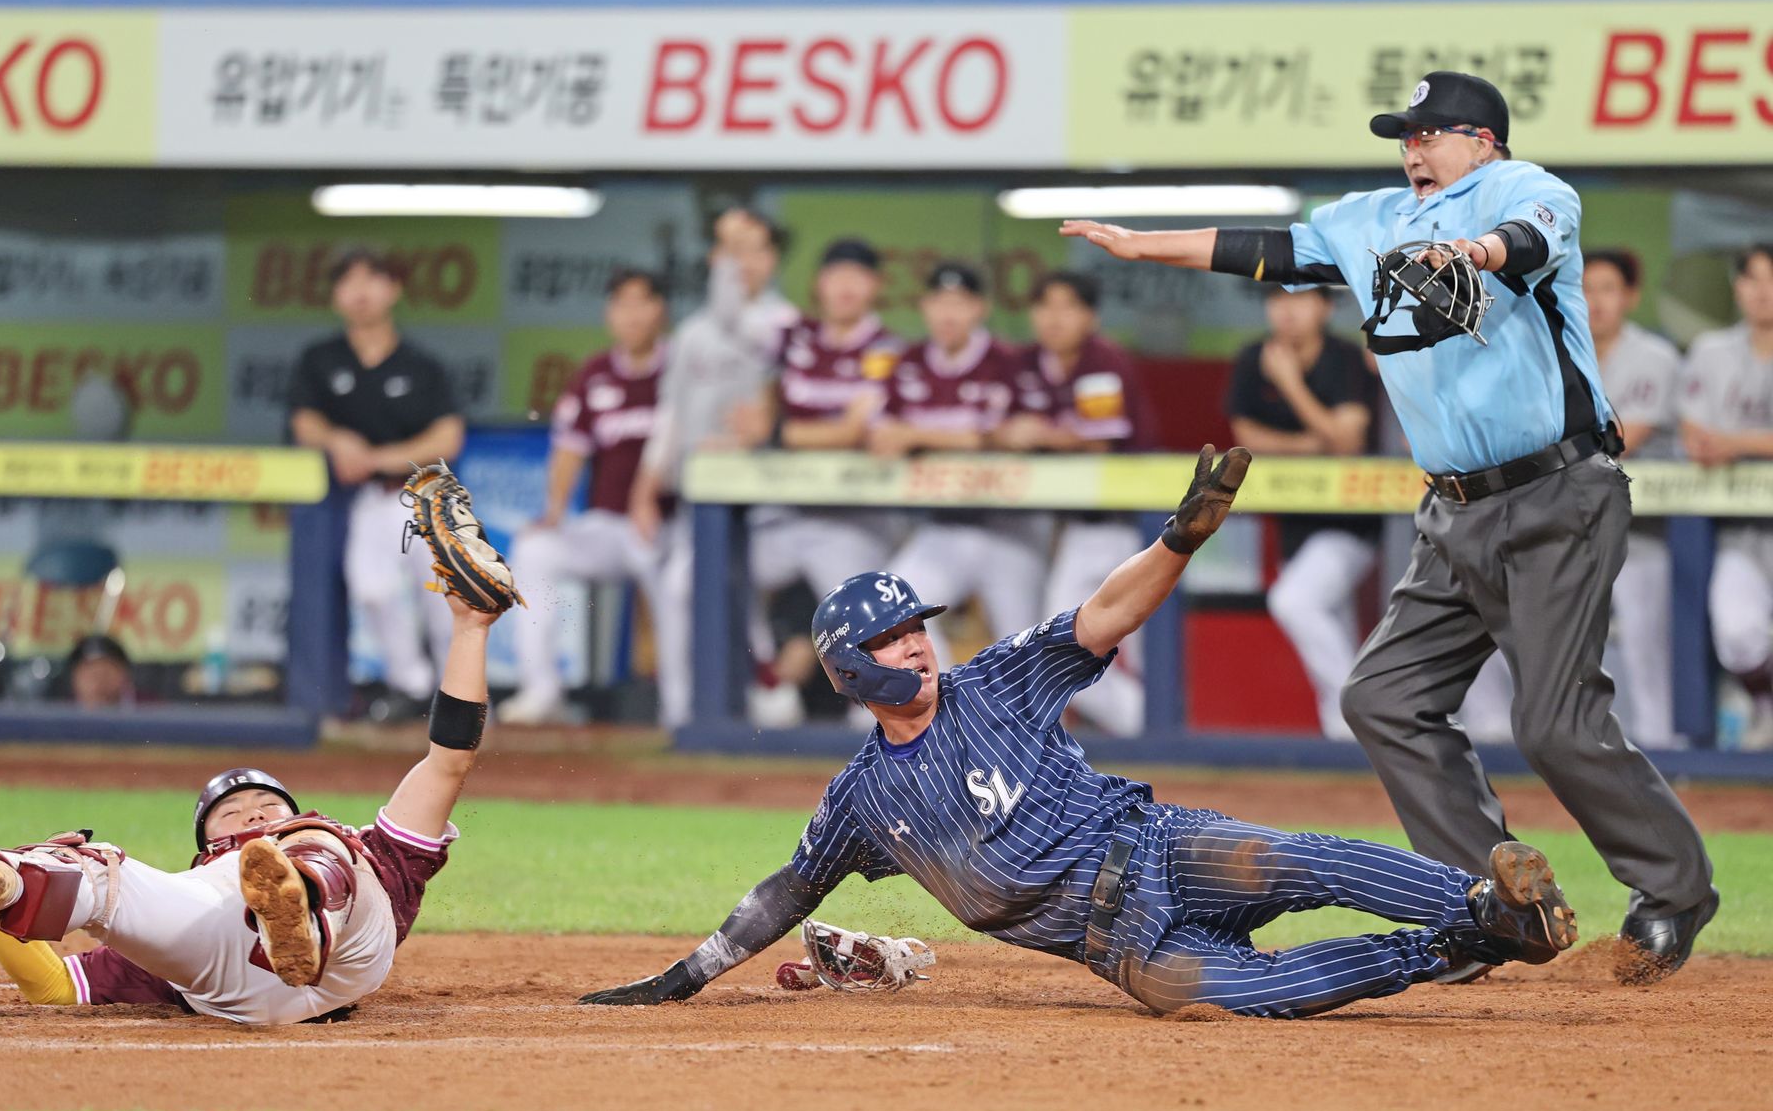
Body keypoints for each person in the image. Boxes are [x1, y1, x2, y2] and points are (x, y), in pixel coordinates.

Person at [1060, 70, 1716, 985]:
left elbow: (1524, 244)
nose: (1413, 147)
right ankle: (1492, 905)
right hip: (1453, 508)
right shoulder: (1367, 218)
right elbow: (1267, 250)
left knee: (1554, 722)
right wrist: (1140, 247)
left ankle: (1674, 890)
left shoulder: (1527, 190)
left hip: (1558, 490)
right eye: (1405, 134)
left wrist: (1475, 254)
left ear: (1484, 141)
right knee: (1383, 698)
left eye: (1433, 132)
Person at [579, 446, 1582, 1019]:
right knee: (1249, 997)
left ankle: (1490, 899)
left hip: (1156, 847)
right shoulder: (861, 802)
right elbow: (784, 894)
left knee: (1296, 859)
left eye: (918, 630)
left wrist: (1176, 537)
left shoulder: (995, 681)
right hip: (1118, 946)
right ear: (852, 668)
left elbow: (1099, 617)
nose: (919, 647)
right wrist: (684, 975)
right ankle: (1466, 939)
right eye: (895, 638)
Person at [0, 470, 503, 1025]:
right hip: (223, 971)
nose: (250, 813)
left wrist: (470, 632)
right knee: (107, 874)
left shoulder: (379, 856)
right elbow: (52, 988)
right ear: (205, 843)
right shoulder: (199, 880)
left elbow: (448, 757)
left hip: (350, 946)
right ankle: (2, 875)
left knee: (323, 842)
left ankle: (299, 905)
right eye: (232, 811)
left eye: (264, 803)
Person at [630, 208, 798, 727]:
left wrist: (728, 252)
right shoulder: (692, 333)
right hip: (701, 507)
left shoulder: (784, 323)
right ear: (714, 261)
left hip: (771, 504)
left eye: (756, 249)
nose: (746, 262)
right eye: (734, 252)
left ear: (773, 259)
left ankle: (755, 696)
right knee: (687, 588)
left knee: (723, 588)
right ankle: (686, 713)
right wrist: (644, 487)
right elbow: (671, 415)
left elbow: (740, 323)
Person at [287, 248, 466, 724]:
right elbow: (304, 422)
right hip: (368, 499)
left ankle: (462, 698)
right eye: (348, 281)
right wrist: (337, 440)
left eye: (372, 279)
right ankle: (410, 685)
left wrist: (378, 457)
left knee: (441, 600)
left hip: (424, 494)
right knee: (373, 590)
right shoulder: (321, 360)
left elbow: (449, 436)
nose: (361, 291)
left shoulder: (420, 364)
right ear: (335, 296)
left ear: (394, 290)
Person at [499, 269, 678, 726]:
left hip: (670, 524)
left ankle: (682, 704)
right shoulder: (595, 374)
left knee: (671, 579)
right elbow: (568, 450)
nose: (632, 315)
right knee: (535, 549)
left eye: (642, 302)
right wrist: (555, 510)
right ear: (609, 314)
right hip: (607, 525)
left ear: (660, 310)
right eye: (622, 304)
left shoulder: (679, 368)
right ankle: (541, 692)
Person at [741, 238, 907, 725]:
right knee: (702, 571)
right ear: (819, 283)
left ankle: (878, 702)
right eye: (836, 274)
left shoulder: (887, 349)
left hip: (855, 517)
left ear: (876, 286)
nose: (846, 286)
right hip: (787, 514)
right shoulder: (795, 338)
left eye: (859, 275)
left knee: (857, 605)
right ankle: (765, 679)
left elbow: (853, 432)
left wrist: (776, 432)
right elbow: (760, 405)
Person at [997, 270, 1158, 736]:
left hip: (1133, 526)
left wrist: (1040, 433)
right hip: (1078, 528)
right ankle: (1144, 731)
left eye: (1068, 306)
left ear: (1090, 316)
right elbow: (996, 425)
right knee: (1064, 641)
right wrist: (1009, 433)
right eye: (1046, 305)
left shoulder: (1103, 359)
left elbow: (1099, 444)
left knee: (1135, 650)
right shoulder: (1026, 362)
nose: (1055, 317)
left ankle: (1156, 733)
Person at [1225, 286, 1378, 742]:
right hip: (1291, 526)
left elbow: (1348, 443)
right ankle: (1347, 739)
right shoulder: (1254, 356)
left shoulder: (1344, 356)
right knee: (1328, 621)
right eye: (1277, 299)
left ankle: (1358, 717)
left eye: (1301, 298)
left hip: (1354, 525)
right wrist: (1315, 444)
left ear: (1325, 307)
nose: (1287, 310)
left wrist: (1289, 382)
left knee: (1295, 601)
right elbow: (1244, 438)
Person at [880, 263, 1044, 668]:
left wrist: (919, 435)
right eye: (939, 302)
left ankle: (1031, 730)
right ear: (924, 307)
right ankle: (950, 710)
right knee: (895, 611)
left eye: (960, 303)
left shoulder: (1010, 360)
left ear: (980, 308)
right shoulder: (910, 361)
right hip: (945, 526)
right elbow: (882, 436)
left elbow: (1002, 437)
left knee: (1026, 652)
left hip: (1011, 526)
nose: (948, 314)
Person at [1584, 248, 1684, 749]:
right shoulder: (1558, 349)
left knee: (1644, 629)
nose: (1594, 300)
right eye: (1584, 287)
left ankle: (1659, 740)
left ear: (1630, 296)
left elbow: (1624, 438)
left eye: (1606, 288)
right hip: (1574, 522)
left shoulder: (1656, 355)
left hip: (1643, 524)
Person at [1680, 245, 1773, 748]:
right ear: (1737, 286)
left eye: (1771, 278)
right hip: (1739, 527)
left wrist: (1735, 443)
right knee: (1737, 636)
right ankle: (1764, 705)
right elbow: (1695, 431)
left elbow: (1720, 439)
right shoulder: (1713, 349)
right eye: (1752, 278)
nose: (1763, 290)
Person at [67, 633, 134, 710]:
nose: (100, 681)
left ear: (125, 674)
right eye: (91, 673)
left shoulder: (145, 709)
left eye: (107, 672)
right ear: (73, 678)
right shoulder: (60, 711)